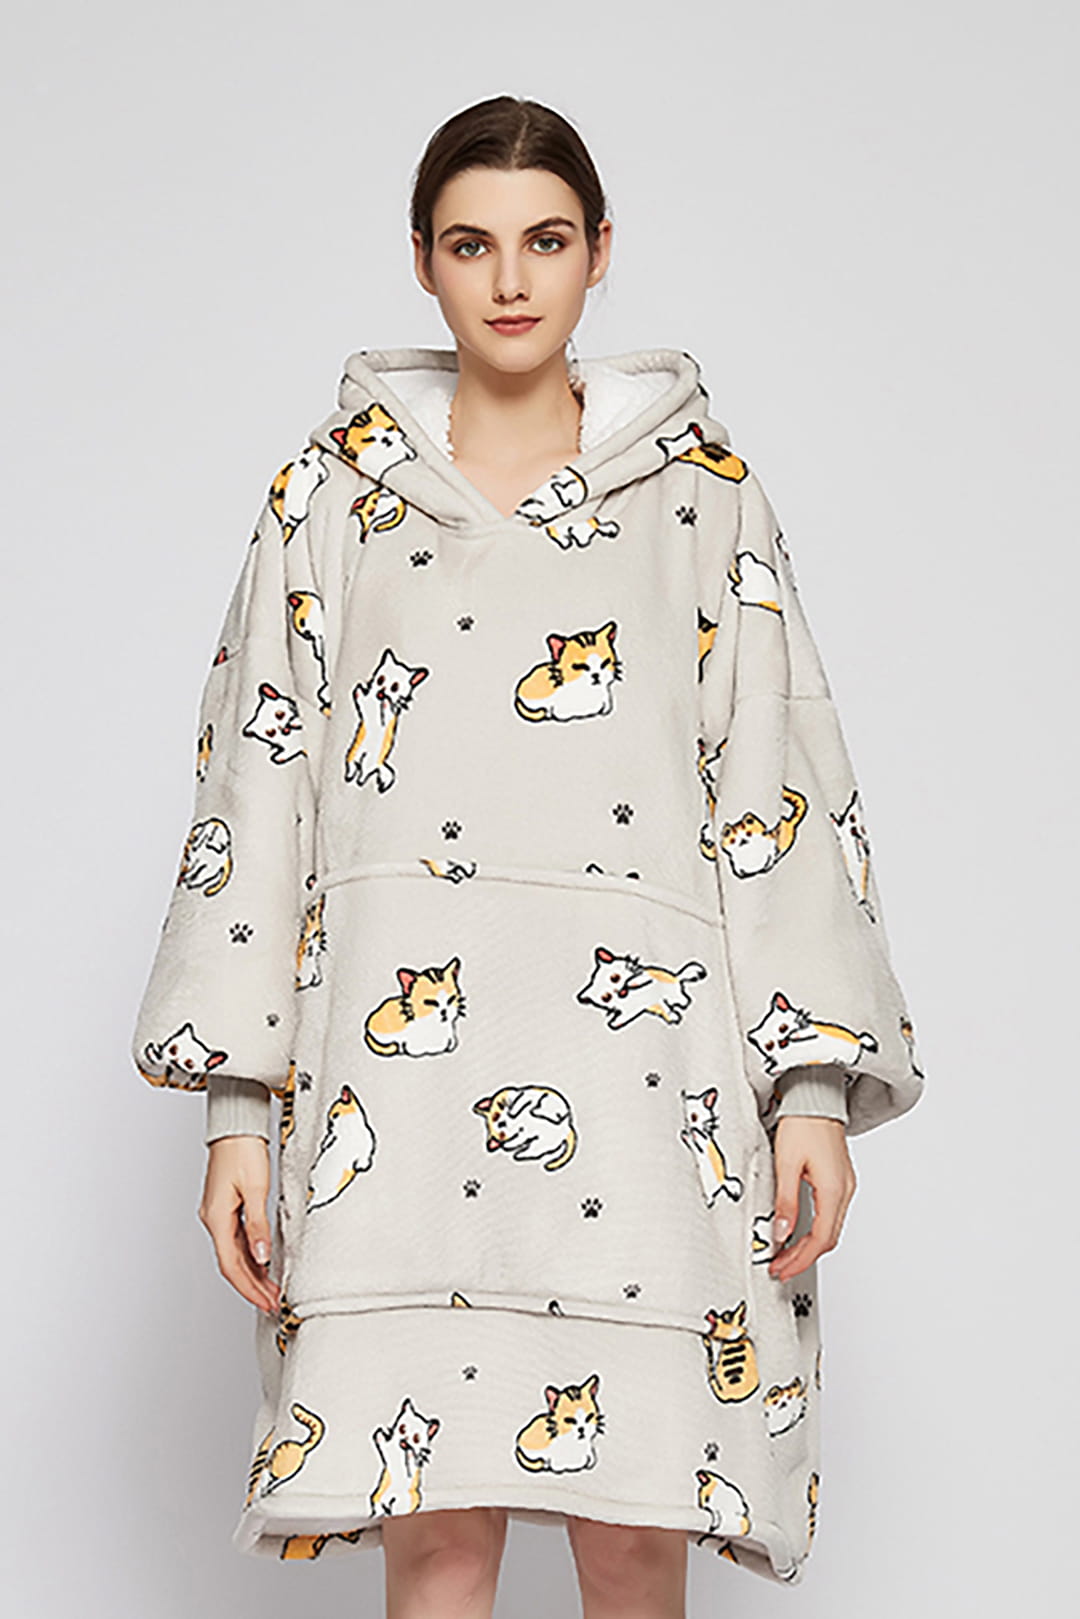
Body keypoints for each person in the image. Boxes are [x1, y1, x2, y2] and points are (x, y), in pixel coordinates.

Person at [131, 94, 925, 1614]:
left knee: (635, 1526)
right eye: (472, 244)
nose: (510, 281)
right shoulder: (326, 503)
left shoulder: (705, 503)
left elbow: (780, 782)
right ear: (421, 259)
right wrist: (239, 1112)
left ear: (600, 252)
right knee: (435, 1527)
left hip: (651, 1090)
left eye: (546, 241)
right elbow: (258, 793)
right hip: (393, 1100)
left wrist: (812, 1093)